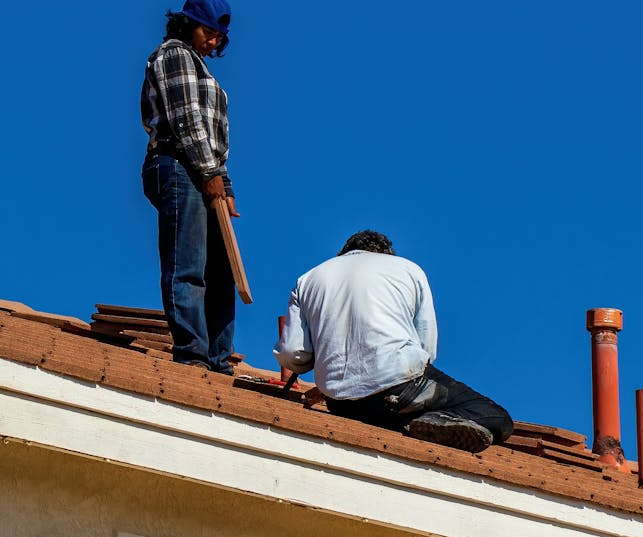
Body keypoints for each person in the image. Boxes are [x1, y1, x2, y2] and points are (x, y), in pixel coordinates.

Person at [274, 230, 514, 453]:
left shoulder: (308, 279)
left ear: (343, 253)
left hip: (341, 404)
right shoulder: (407, 269)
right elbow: (426, 348)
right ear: (386, 255)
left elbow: (292, 355)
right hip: (400, 389)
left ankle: (413, 422)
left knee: (382, 412)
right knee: (495, 418)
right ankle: (422, 422)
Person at [141, 0, 238, 373]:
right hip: (180, 165)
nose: (213, 43)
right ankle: (192, 354)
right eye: (208, 33)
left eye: (219, 37)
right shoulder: (174, 55)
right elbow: (186, 122)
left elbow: (214, 137)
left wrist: (224, 184)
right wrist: (211, 174)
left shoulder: (203, 70)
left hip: (203, 169)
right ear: (187, 25)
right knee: (189, 263)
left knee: (221, 268)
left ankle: (219, 357)